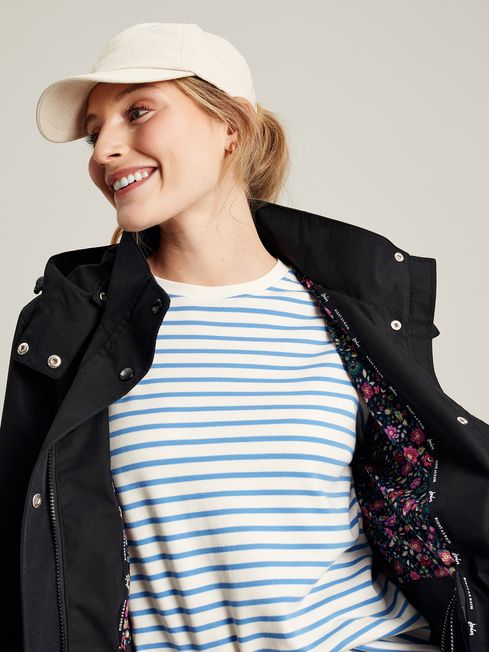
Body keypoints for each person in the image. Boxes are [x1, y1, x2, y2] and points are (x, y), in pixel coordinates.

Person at [1, 21, 487, 652]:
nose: (104, 151)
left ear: (230, 125)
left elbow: (427, 511)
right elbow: (31, 558)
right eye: (95, 134)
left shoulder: (351, 316)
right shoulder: (72, 329)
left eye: (138, 111)